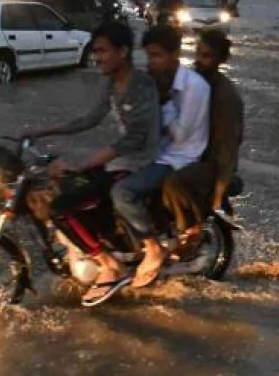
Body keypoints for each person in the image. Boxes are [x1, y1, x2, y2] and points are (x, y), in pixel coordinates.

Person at [26, 21, 161, 307]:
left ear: (122, 52)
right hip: (120, 159)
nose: (97, 57)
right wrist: (43, 131)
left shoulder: (141, 85)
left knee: (62, 207)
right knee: (61, 186)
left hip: (140, 161)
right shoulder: (112, 82)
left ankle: (110, 265)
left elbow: (135, 138)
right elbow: (89, 119)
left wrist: (87, 163)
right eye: (95, 51)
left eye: (102, 51)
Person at [118, 24, 211, 288]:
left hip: (179, 158)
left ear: (175, 55)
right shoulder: (154, 82)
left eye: (156, 56)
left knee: (123, 192)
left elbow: (181, 135)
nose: (151, 62)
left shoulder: (195, 87)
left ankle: (153, 248)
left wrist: (164, 102)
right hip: (154, 152)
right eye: (148, 56)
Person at [159, 30, 245, 257]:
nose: (199, 61)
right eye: (198, 54)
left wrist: (219, 190)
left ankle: (190, 231)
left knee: (172, 183)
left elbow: (229, 145)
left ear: (221, 60)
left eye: (206, 56)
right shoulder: (191, 83)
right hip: (186, 152)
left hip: (212, 162)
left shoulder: (226, 96)